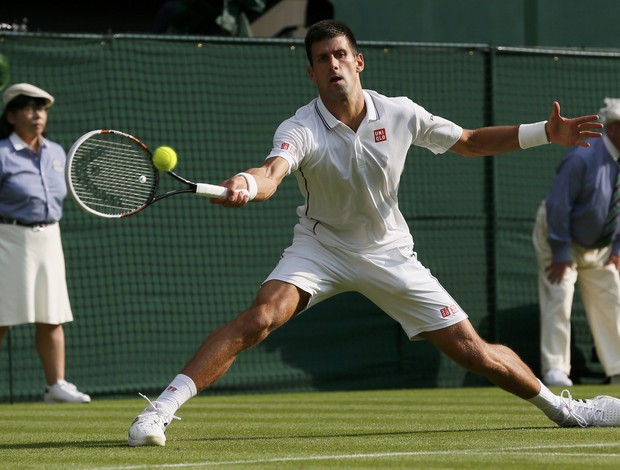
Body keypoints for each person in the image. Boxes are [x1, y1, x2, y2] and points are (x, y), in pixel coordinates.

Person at [128, 20, 620, 446]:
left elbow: (467, 142)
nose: (333, 65)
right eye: (322, 59)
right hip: (321, 247)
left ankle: (568, 410)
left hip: (389, 252)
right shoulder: (301, 127)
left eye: (340, 55)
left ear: (358, 61)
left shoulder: (400, 112)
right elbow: (272, 173)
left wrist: (544, 132)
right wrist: (245, 183)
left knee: (475, 353)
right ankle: (159, 411)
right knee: (259, 319)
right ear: (312, 72)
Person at [0, 83, 90, 404]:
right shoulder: (1, 154)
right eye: (28, 107)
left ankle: (56, 386)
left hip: (50, 238)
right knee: (1, 317)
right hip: (7, 238)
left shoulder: (56, 152)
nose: (37, 114)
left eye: (42, 108)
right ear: (11, 116)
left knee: (51, 314)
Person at [533, 97, 620, 387]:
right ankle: (556, 370)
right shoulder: (582, 156)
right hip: (561, 236)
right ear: (615, 128)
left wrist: (617, 247)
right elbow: (559, 205)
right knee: (559, 296)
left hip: (601, 244)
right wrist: (560, 252)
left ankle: (618, 369)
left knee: (612, 297)